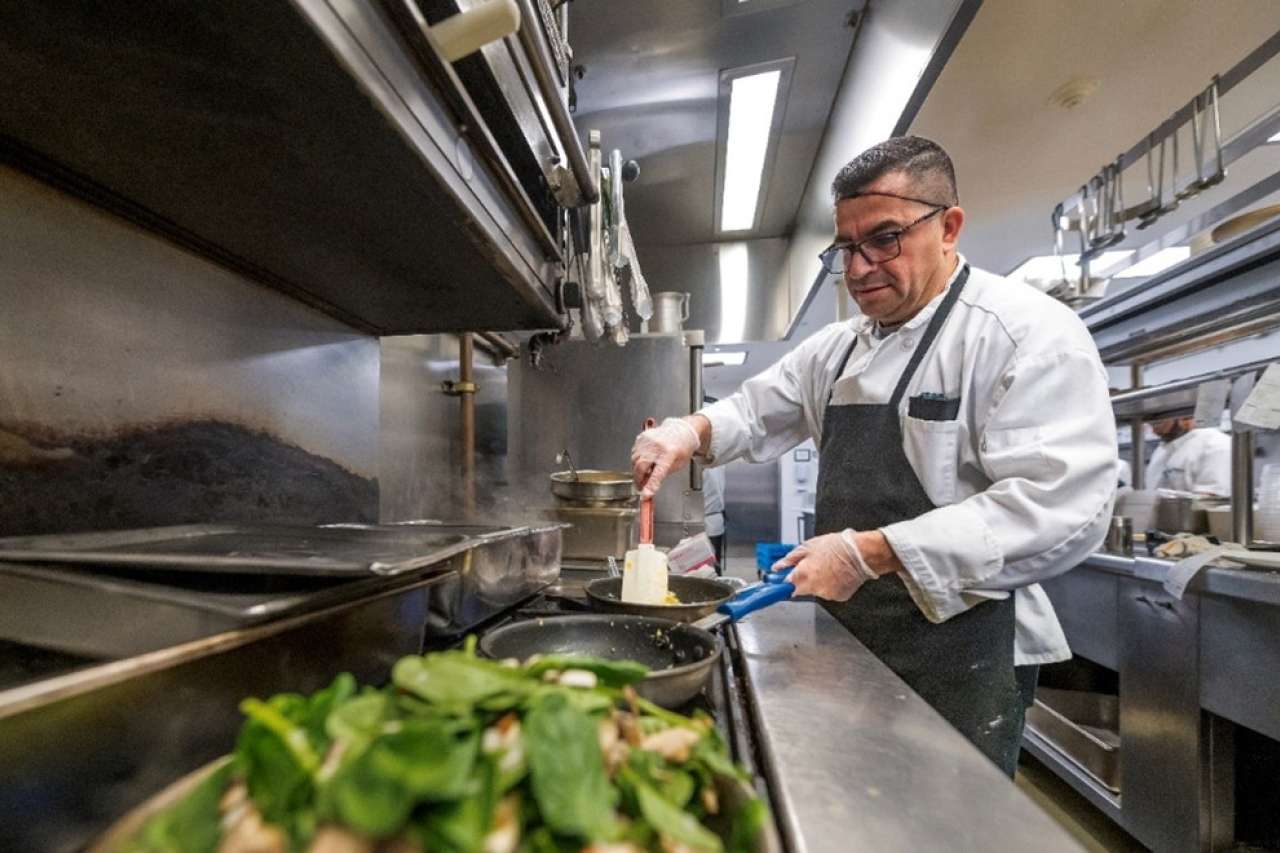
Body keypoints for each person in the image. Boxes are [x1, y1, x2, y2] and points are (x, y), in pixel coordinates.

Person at [631, 136, 1117, 777]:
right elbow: (753, 410)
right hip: (852, 636)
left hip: (962, 651)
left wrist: (872, 552)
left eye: (884, 239)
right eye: (845, 249)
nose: (859, 269)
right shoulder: (838, 348)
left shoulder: (1024, 333)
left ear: (949, 226)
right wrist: (687, 431)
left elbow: (1061, 507)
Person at [1146, 416, 1232, 496]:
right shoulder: (1160, 450)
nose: (1153, 431)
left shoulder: (1216, 445)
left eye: (1159, 422)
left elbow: (1210, 501)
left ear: (1185, 418)